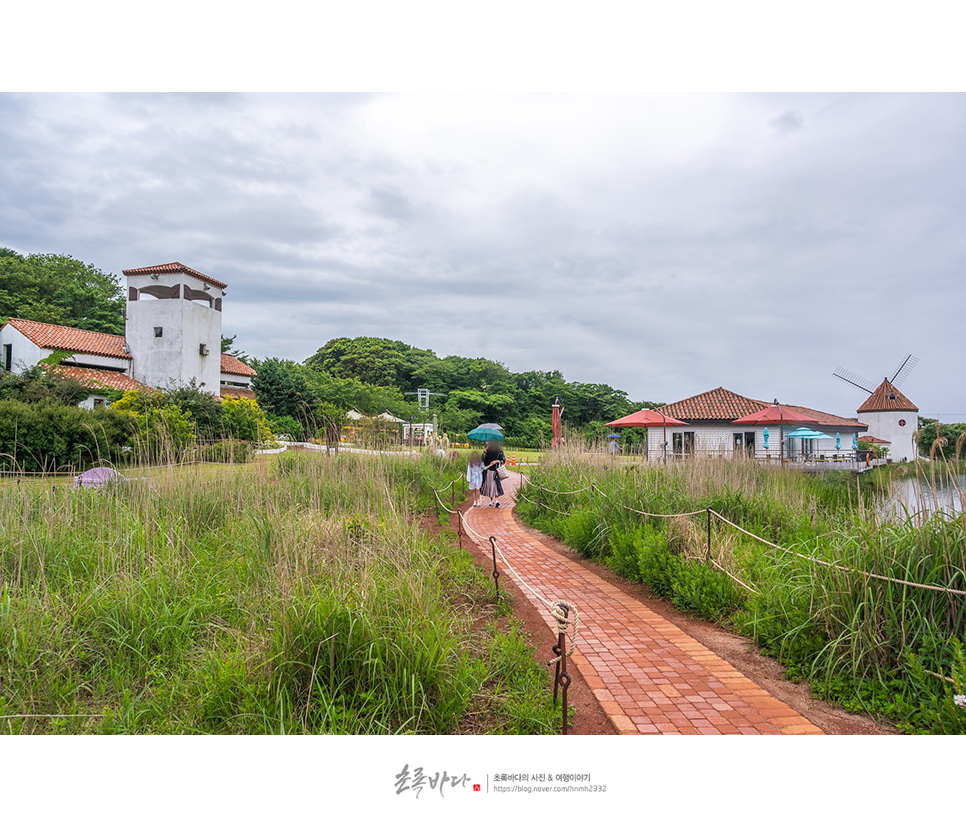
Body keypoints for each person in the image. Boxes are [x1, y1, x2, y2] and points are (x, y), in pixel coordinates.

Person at [481, 441, 506, 507]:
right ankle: (492, 500)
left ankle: (497, 500)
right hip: (488, 471)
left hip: (496, 471)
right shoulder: (487, 452)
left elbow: (503, 460)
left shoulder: (499, 452)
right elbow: (483, 460)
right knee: (489, 486)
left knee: (495, 485)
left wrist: (496, 461)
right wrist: (484, 453)